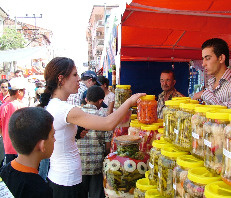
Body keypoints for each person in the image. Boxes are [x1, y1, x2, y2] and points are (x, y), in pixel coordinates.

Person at [38, 57, 145, 198]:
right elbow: (108, 123)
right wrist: (129, 102)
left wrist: (76, 134)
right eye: (75, 75)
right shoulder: (65, 109)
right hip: (66, 181)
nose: (79, 79)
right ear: (61, 79)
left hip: (63, 177)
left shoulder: (56, 105)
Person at [0, 107, 54, 198]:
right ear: (42, 145)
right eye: (53, 135)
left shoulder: (3, 172)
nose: (55, 140)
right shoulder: (40, 190)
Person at [193, 38, 231, 112]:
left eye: (208, 58)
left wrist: (205, 94)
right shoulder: (211, 83)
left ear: (221, 58)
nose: (203, 64)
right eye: (203, 59)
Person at [77, 85, 113, 198]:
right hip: (96, 166)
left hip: (79, 165)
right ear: (100, 101)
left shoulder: (76, 114)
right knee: (96, 194)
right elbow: (107, 146)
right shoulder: (103, 117)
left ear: (86, 99)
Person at [0, 78, 27, 165]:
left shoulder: (3, 106)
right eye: (23, 90)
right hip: (20, 147)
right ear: (19, 92)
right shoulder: (21, 106)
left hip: (7, 147)